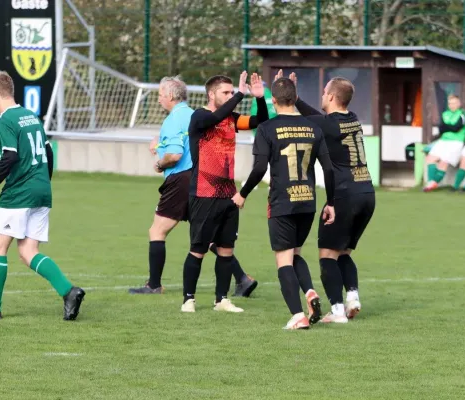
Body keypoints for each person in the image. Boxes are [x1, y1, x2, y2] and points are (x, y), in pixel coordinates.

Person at [0, 71, 85, 320]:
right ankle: (69, 291)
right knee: (28, 251)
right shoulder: (31, 116)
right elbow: (49, 153)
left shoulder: (5, 119)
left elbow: (9, 156)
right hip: (42, 191)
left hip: (19, 193)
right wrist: (43, 181)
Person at [128, 77, 257, 297]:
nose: (159, 99)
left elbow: (176, 155)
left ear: (169, 96)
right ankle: (242, 279)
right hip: (207, 181)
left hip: (182, 180)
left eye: (159, 94)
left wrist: (159, 164)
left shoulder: (174, 119)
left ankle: (154, 285)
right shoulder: (195, 113)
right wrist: (159, 140)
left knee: (157, 230)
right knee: (206, 235)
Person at [232, 77, 336, 330]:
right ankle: (310, 292)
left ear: (274, 101)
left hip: (282, 201)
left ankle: (297, 315)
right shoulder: (314, 127)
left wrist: (243, 193)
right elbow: (329, 169)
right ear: (295, 97)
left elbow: (259, 168)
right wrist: (330, 201)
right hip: (308, 202)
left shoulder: (267, 128)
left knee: (283, 260)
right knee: (296, 253)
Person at [279, 70, 375, 323]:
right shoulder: (352, 118)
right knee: (344, 252)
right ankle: (352, 296)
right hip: (367, 192)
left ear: (331, 96)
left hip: (345, 194)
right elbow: (317, 115)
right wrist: (297, 97)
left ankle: (337, 311)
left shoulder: (327, 124)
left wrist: (290, 98)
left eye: (324, 93)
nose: (321, 95)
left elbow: (310, 118)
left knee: (326, 256)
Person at [180, 71, 268, 313]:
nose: (230, 96)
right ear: (211, 94)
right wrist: (240, 94)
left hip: (229, 196)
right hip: (203, 194)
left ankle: (222, 300)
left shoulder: (231, 118)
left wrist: (259, 98)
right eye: (226, 92)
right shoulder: (199, 116)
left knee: (226, 250)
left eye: (232, 92)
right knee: (198, 250)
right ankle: (188, 299)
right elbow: (215, 117)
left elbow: (260, 121)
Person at [423, 94, 465, 192]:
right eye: (450, 103)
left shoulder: (463, 114)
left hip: (456, 142)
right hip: (443, 141)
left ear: (459, 104)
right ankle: (431, 182)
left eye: (454, 103)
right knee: (430, 158)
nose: (452, 105)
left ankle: (432, 184)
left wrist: (447, 127)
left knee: (443, 162)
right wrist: (448, 127)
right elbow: (441, 128)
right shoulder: (445, 114)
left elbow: (456, 128)